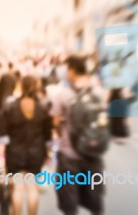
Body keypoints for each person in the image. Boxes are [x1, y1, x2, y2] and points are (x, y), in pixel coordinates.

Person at [51, 55, 105, 215]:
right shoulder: (99, 92)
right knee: (95, 199)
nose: (66, 73)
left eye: (68, 70)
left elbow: (55, 122)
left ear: (73, 71)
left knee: (69, 202)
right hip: (93, 153)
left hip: (69, 155)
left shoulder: (63, 95)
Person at [0, 76, 52, 215]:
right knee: (33, 188)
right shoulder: (42, 107)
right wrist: (48, 152)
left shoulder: (10, 107)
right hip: (36, 152)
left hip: (15, 152)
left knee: (17, 188)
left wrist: (1, 154)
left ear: (21, 86)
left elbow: (3, 134)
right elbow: (48, 136)